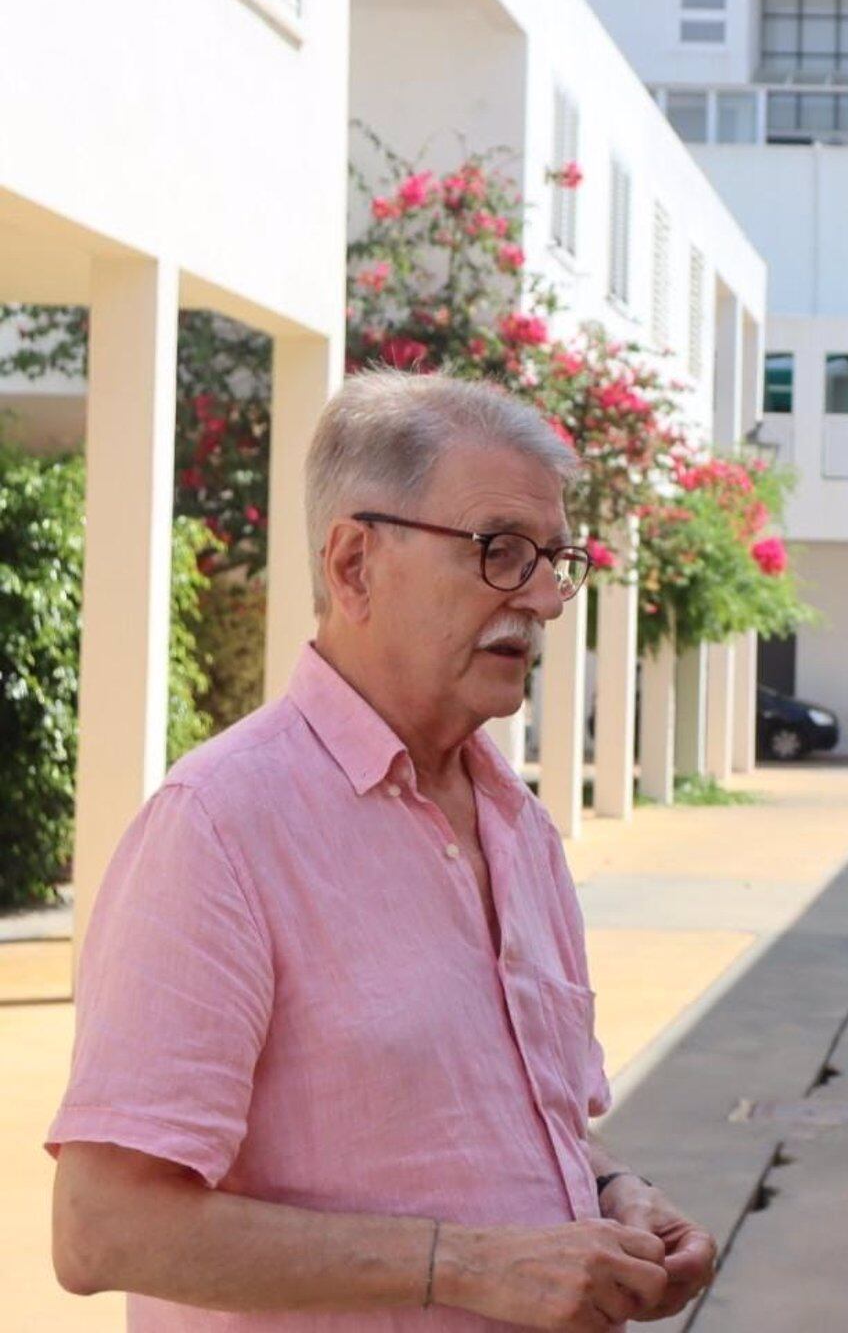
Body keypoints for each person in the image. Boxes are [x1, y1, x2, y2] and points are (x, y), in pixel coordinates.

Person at [49, 371, 716, 1329]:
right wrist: (469, 1267)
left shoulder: (517, 826)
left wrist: (617, 1196)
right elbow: (103, 1228)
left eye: (554, 558)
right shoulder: (219, 828)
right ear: (355, 563)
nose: (544, 598)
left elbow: (521, 1120)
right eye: (500, 551)